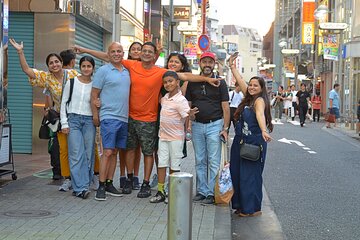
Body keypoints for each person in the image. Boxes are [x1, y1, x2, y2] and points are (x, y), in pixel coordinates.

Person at [76, 43, 220, 199]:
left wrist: (206, 79)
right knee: (129, 149)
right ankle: (130, 179)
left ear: (154, 55)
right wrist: (84, 49)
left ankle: (145, 183)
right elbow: (107, 56)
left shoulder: (160, 72)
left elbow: (184, 76)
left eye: (149, 52)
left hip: (149, 118)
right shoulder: (132, 65)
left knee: (148, 152)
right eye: (143, 51)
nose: (145, 53)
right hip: (129, 117)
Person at [9, 38, 77, 180]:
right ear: (48, 66)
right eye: (51, 63)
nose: (54, 64)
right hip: (62, 118)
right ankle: (67, 178)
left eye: (56, 61)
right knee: (63, 150)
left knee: (77, 147)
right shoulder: (47, 78)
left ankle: (83, 175)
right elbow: (27, 70)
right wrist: (20, 52)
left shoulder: (72, 74)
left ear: (61, 62)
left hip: (78, 116)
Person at [228, 52, 273, 217]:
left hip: (254, 142)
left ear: (262, 89)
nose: (252, 87)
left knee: (249, 176)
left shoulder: (259, 101)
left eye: (256, 86)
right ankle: (240, 205)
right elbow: (240, 80)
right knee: (237, 173)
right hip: (240, 141)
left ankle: (251, 208)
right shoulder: (249, 97)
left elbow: (260, 115)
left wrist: (263, 130)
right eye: (251, 85)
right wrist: (232, 66)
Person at [186, 51, 230, 205]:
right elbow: (188, 105)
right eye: (204, 62)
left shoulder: (220, 82)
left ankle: (211, 192)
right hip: (197, 125)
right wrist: (189, 119)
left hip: (215, 124)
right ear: (200, 63)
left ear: (214, 64)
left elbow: (225, 107)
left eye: (210, 62)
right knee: (200, 160)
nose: (207, 65)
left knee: (213, 160)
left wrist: (225, 128)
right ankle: (201, 191)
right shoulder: (193, 82)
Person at [149, 71, 196, 203]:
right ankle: (161, 191)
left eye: (171, 81)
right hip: (162, 137)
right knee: (162, 163)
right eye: (165, 82)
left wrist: (191, 116)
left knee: (174, 165)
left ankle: (173, 192)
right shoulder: (164, 99)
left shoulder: (181, 100)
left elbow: (188, 116)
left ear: (177, 82)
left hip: (176, 138)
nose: (168, 84)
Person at [92, 42, 131, 201]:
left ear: (123, 54)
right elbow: (94, 95)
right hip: (108, 117)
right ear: (108, 54)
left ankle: (109, 183)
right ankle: (100, 186)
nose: (116, 54)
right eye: (113, 51)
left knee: (115, 152)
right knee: (107, 152)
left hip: (124, 118)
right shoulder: (103, 71)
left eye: (119, 51)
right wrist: (96, 115)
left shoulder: (127, 72)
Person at [60, 56, 96, 199]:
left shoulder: (95, 85)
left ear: (93, 68)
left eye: (89, 66)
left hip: (89, 121)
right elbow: (64, 103)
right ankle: (79, 187)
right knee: (76, 154)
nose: (86, 69)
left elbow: (98, 103)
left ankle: (84, 185)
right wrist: (64, 123)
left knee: (88, 155)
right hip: (73, 120)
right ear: (80, 67)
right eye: (84, 66)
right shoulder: (72, 82)